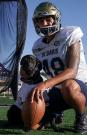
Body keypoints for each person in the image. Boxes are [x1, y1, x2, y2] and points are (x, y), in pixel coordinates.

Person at [31, 1, 87, 134]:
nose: (45, 23)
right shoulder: (37, 46)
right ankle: (56, 113)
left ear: (56, 19)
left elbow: (71, 72)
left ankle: (81, 117)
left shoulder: (70, 34)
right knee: (32, 118)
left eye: (48, 19)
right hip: (56, 90)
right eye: (41, 20)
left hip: (80, 86)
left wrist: (45, 84)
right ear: (36, 23)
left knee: (68, 85)